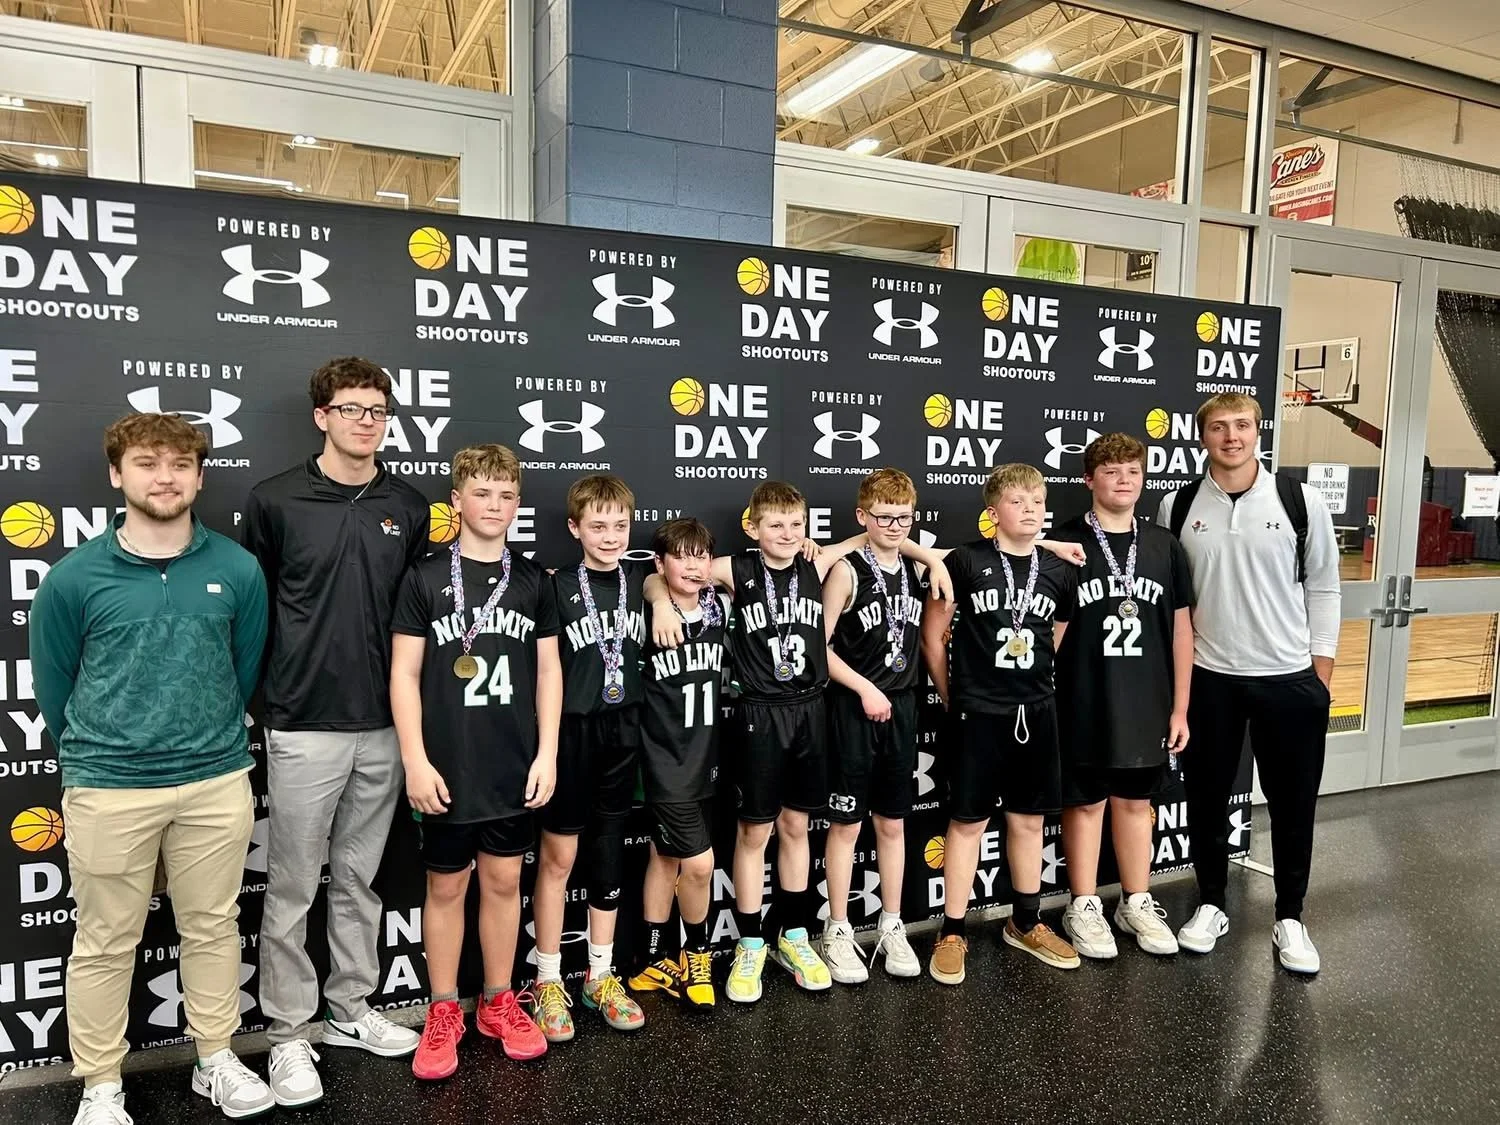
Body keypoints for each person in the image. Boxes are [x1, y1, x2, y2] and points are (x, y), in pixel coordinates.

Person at [30, 413, 272, 1123]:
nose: (163, 476)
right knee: (104, 940)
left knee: (213, 926)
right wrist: (103, 755)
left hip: (215, 780)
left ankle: (215, 1058)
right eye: (145, 462)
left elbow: (244, 667)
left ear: (200, 476)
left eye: (178, 463)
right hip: (108, 786)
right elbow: (55, 688)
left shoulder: (236, 568)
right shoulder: (74, 577)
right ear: (117, 474)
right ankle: (101, 1085)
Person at [647, 481, 950, 1004]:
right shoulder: (735, 569)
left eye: (796, 525)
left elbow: (880, 537)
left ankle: (791, 935)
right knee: (754, 833)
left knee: (795, 826)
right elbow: (667, 574)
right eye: (775, 526)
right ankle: (749, 942)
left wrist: (931, 558)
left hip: (812, 709)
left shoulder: (819, 561)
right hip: (759, 715)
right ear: (752, 528)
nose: (788, 535)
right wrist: (659, 603)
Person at [243, 357, 427, 1106]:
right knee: (290, 885)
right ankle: (289, 1033)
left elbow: (418, 621)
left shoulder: (408, 505)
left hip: (384, 725)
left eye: (378, 410)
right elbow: (251, 615)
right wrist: (266, 708)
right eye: (351, 408)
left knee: (357, 879)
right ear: (321, 415)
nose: (366, 422)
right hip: (303, 725)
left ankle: (349, 1008)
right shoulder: (274, 499)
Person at [390, 445, 559, 1080]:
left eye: (507, 495)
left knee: (502, 884)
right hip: (446, 765)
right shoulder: (425, 577)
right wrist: (415, 758)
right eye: (482, 494)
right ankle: (442, 1009)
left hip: (512, 763)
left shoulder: (534, 580)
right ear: (455, 502)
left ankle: (497, 999)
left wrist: (547, 753)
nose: (495, 506)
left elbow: (548, 672)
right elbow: (404, 673)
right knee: (446, 886)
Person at [1158, 393, 1340, 974]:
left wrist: (1321, 673)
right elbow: (1173, 602)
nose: (1230, 436)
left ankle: (1290, 916)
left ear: (1258, 431)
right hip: (1211, 681)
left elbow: (1325, 587)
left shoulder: (1299, 500)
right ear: (1202, 436)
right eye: (1218, 427)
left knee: (1292, 806)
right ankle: (1211, 903)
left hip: (1288, 681)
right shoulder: (1178, 504)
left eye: (1241, 426)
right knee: (1206, 802)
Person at [921, 463, 1082, 984]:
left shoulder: (1058, 569)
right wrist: (957, 697)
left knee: (1029, 820)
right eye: (1018, 502)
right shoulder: (966, 560)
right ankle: (952, 931)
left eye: (1038, 501)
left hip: (1036, 710)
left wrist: (1030, 684)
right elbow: (932, 636)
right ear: (993, 513)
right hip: (979, 713)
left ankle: (1026, 921)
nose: (1031, 509)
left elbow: (1055, 632)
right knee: (967, 824)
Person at [1050, 434, 1194, 960]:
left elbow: (1182, 630)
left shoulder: (1164, 545)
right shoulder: (1063, 544)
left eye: (1133, 470)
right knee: (1084, 805)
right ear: (1090, 480)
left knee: (1137, 804)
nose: (1124, 479)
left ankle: (1136, 900)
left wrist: (1180, 706)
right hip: (1081, 698)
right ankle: (1083, 904)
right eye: (1111, 471)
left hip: (1146, 701)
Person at [531, 475, 650, 1040]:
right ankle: (548, 979)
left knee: (607, 854)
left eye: (620, 526)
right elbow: (545, 671)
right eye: (597, 526)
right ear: (574, 528)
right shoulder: (554, 587)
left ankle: (600, 977)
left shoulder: (645, 582)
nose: (610, 536)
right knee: (558, 858)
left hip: (624, 730)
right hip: (572, 730)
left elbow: (703, 573)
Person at [818, 469, 927, 983]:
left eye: (903, 517)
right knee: (847, 824)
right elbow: (820, 649)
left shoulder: (914, 564)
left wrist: (1057, 548)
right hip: (854, 708)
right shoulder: (847, 570)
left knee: (893, 822)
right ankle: (837, 928)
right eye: (882, 517)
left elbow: (1007, 538)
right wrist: (864, 687)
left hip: (903, 707)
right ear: (862, 517)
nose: (893, 526)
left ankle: (891, 923)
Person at [627, 518, 728, 1010]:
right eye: (681, 556)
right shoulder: (645, 611)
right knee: (701, 864)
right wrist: (658, 600)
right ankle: (698, 954)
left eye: (701, 555)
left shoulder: (720, 607)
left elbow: (760, 565)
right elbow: (644, 580)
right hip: (662, 762)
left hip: (704, 759)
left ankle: (649, 963)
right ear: (661, 562)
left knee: (664, 857)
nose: (693, 565)